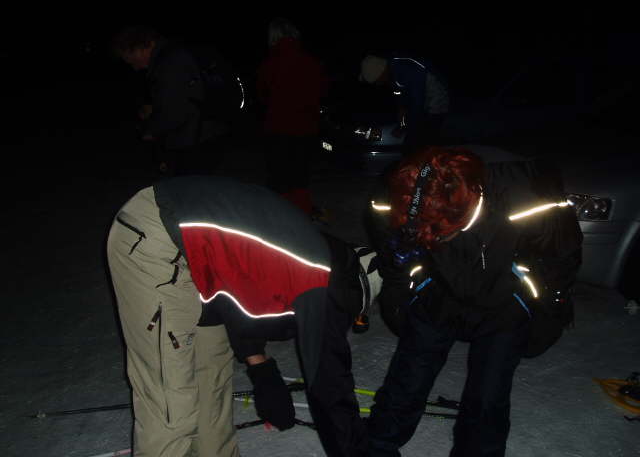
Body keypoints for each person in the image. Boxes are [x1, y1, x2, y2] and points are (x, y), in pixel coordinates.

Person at [106, 175, 382, 456]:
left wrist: (263, 373)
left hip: (201, 259)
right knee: (171, 399)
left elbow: (240, 296)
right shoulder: (321, 279)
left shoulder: (305, 253)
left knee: (211, 380)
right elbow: (329, 382)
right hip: (158, 234)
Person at [364, 146, 582, 456]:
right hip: (436, 290)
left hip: (505, 298)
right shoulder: (392, 198)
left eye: (440, 230)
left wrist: (550, 309)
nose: (432, 236)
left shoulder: (528, 201)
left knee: (488, 393)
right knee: (409, 375)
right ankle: (378, 444)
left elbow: (562, 257)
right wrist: (403, 293)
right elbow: (392, 255)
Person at [112, 25, 225, 176]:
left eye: (131, 59)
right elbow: (182, 97)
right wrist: (155, 108)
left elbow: (174, 112)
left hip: (197, 141)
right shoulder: (171, 55)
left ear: (140, 47)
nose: (135, 67)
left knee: (188, 189)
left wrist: (150, 129)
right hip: (202, 136)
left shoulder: (170, 61)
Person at [256, 17, 329, 215]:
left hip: (277, 128)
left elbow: (262, 95)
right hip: (306, 128)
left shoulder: (270, 63)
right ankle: (300, 217)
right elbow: (322, 92)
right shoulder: (311, 62)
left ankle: (278, 219)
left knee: (279, 179)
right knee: (299, 179)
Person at [360, 54, 450, 153]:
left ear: (381, 73)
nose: (378, 84)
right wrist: (401, 124)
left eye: (377, 81)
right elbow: (401, 100)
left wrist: (410, 132)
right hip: (420, 93)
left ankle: (432, 151)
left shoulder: (406, 70)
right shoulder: (391, 75)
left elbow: (417, 104)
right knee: (414, 124)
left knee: (427, 129)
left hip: (436, 91)